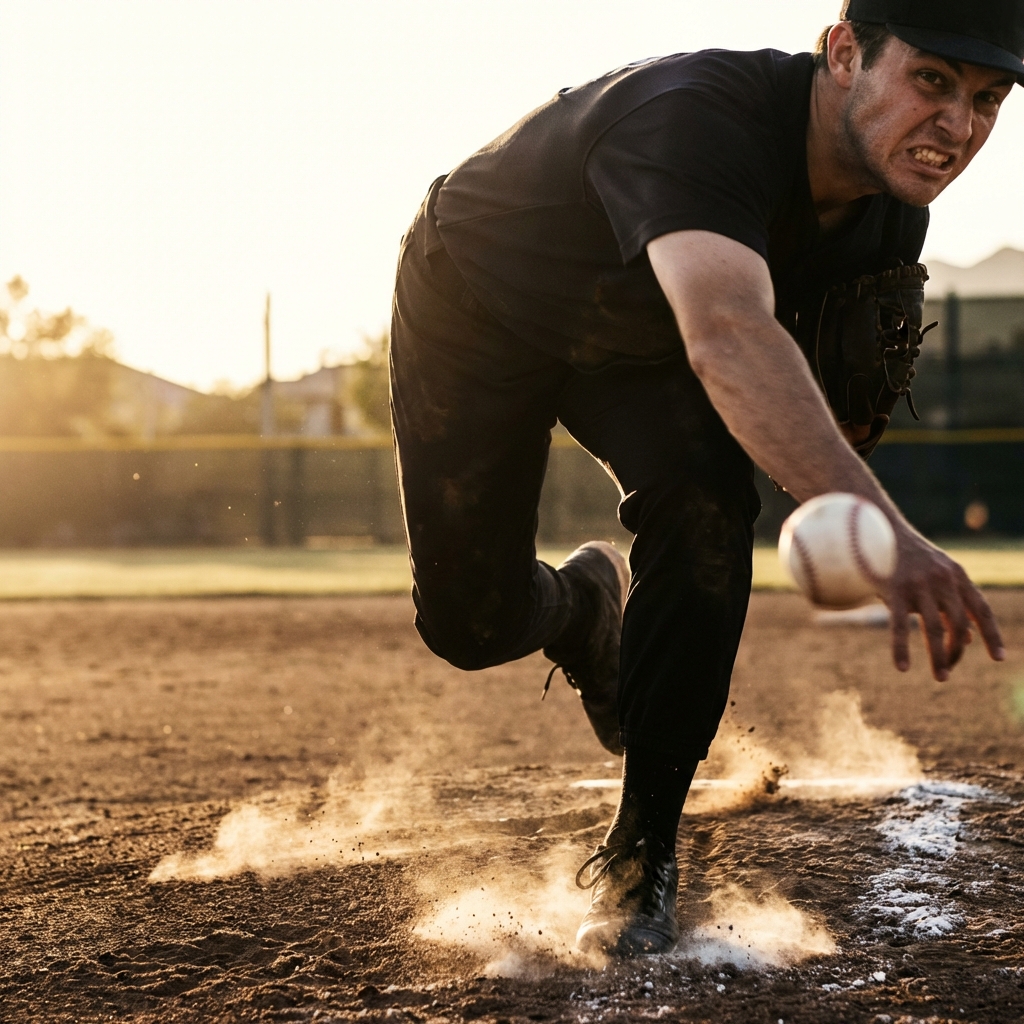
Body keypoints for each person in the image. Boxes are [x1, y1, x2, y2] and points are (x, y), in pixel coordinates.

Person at [390, 0, 1020, 955]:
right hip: (482, 304)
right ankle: (581, 609)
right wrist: (881, 529)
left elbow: (822, 411)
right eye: (932, 80)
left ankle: (642, 851)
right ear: (845, 54)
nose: (960, 125)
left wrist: (833, 491)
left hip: (639, 348)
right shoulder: (696, 117)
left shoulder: (890, 216)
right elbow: (727, 332)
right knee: (469, 626)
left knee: (709, 504)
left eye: (989, 97)